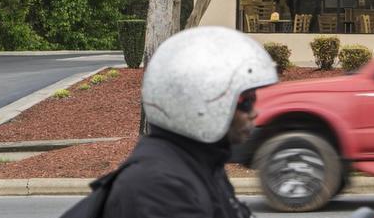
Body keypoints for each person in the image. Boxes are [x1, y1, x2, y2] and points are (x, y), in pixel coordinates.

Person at [70, 26, 278, 218]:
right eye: (246, 102)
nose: (254, 112)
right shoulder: (157, 187)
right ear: (201, 102)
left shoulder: (200, 163)